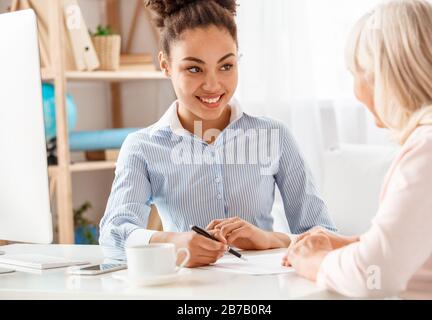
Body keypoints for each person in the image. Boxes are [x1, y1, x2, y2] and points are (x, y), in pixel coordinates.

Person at [100, 0, 335, 267]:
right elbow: (112, 236)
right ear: (165, 65)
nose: (213, 85)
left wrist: (271, 239)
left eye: (226, 66)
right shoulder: (142, 147)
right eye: (194, 68)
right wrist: (172, 243)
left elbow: (325, 236)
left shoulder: (274, 136)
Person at [283, 0, 432, 299]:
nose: (355, 90)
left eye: (355, 72)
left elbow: (375, 275)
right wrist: (351, 244)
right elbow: (426, 245)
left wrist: (314, 261)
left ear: (384, 75)